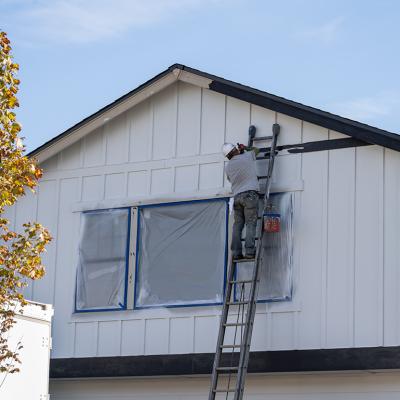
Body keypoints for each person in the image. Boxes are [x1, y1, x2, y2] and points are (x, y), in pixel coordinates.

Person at [222, 142, 260, 260]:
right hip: (250, 195)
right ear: (234, 150)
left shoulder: (227, 167)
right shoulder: (247, 156)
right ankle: (249, 252)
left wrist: (240, 152)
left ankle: (236, 253)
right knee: (250, 223)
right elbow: (257, 150)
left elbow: (230, 179)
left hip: (237, 197)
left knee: (237, 225)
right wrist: (245, 148)